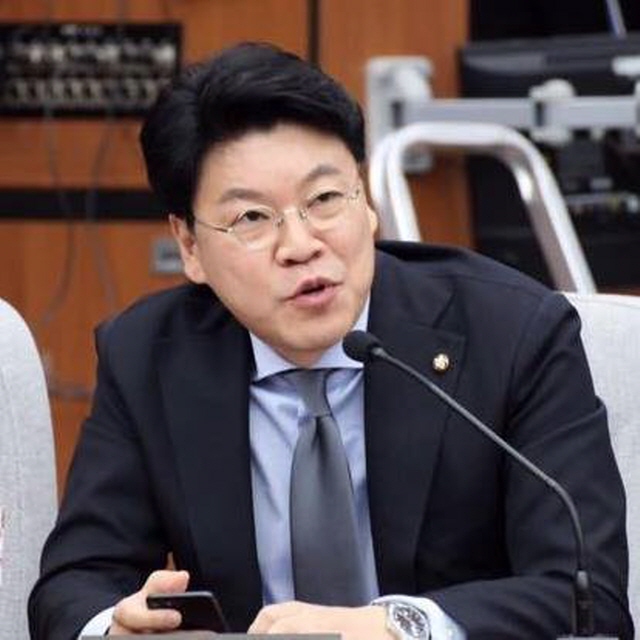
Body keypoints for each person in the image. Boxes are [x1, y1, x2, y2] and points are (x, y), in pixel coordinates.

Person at [29, 42, 632, 640]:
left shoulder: (513, 333)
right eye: (251, 218)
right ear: (190, 247)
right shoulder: (148, 357)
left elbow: (588, 598)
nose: (300, 246)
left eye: (323, 200)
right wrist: (115, 630)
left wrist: (402, 627)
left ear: (365, 202)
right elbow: (75, 584)